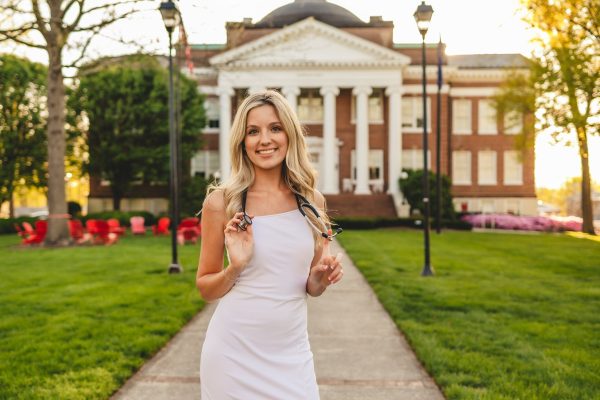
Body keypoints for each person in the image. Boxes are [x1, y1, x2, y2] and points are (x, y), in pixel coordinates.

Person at [196, 90, 344, 399]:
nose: (265, 139)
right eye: (253, 131)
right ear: (242, 141)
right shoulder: (222, 202)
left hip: (292, 356)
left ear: (289, 134)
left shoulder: (312, 202)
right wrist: (235, 268)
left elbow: (311, 287)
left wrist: (318, 280)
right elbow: (206, 288)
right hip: (232, 356)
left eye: (275, 128)